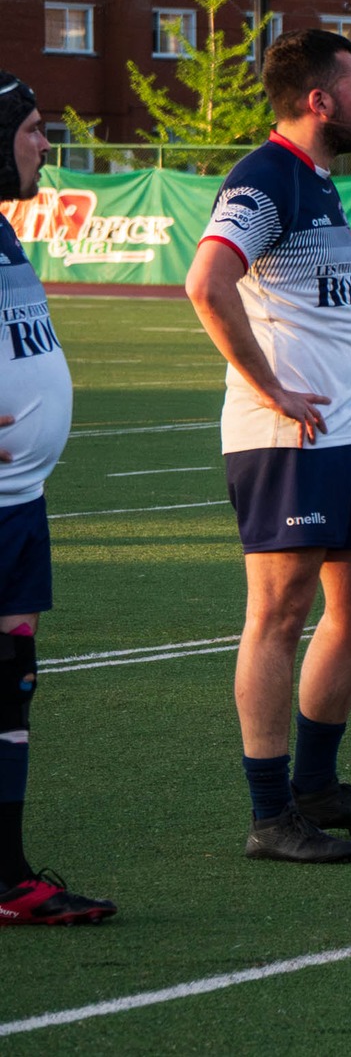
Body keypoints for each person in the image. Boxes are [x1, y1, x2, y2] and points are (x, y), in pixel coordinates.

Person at [185, 30, 351, 864]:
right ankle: (271, 813)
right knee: (280, 616)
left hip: (340, 430)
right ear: (318, 100)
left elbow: (322, 308)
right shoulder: (265, 177)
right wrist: (271, 386)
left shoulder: (318, 180)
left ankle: (316, 787)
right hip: (286, 437)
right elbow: (206, 282)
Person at [0, 74, 115, 924]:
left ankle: (7, 876)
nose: (46, 145)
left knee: (12, 680)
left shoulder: (3, 235)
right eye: (35, 129)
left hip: (19, 500)